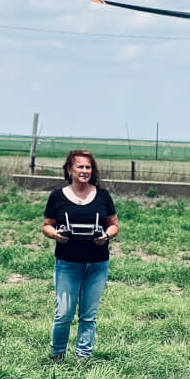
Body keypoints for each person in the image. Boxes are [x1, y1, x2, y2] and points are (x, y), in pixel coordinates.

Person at [42, 150, 118, 361]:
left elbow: (114, 225)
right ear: (69, 170)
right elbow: (47, 226)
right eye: (80, 167)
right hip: (68, 263)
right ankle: (57, 356)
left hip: (97, 264)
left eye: (88, 167)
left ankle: (83, 357)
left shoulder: (103, 196)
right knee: (63, 314)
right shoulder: (57, 197)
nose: (84, 171)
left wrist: (105, 235)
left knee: (88, 315)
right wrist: (56, 235)